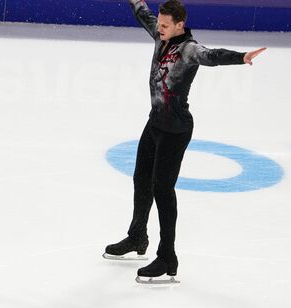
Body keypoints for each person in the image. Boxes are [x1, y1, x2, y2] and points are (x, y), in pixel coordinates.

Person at [104, 0, 266, 283]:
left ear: (180, 25)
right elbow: (143, 15)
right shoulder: (160, 33)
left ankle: (168, 256)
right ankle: (137, 236)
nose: (160, 28)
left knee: (163, 190)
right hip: (155, 122)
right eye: (160, 23)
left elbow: (212, 55)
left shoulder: (189, 49)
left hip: (175, 129)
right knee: (141, 179)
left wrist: (241, 57)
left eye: (166, 25)